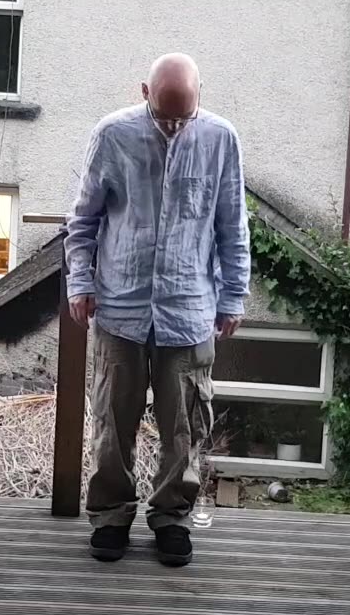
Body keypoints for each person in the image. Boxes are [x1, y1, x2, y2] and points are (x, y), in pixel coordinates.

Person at [64, 52, 250, 566]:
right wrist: (80, 284)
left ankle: (172, 517)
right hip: (120, 308)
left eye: (182, 117)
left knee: (185, 425)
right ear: (143, 92)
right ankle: (110, 517)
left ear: (199, 99)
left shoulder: (221, 139)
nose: (172, 126)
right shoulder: (112, 134)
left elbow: (232, 226)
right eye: (164, 114)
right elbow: (82, 221)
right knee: (112, 420)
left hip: (189, 311)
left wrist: (233, 295)